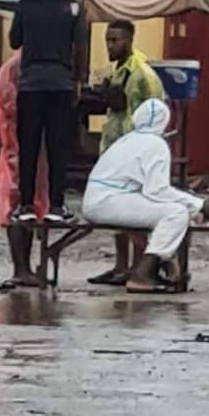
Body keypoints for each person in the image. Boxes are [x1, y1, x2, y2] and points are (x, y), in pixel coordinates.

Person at [82, 99, 209, 292]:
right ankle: (143, 275)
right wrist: (198, 205)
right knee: (176, 214)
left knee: (165, 213)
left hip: (99, 200)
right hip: (109, 201)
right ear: (165, 121)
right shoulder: (156, 144)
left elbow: (149, 192)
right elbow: (157, 190)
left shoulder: (127, 139)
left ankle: (161, 267)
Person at [87, 20, 166, 287]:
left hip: (136, 157)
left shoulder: (143, 75)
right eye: (108, 40)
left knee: (136, 212)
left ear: (130, 40)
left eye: (115, 40)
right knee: (117, 211)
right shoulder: (118, 72)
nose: (110, 45)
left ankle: (138, 266)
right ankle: (121, 265)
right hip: (114, 151)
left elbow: (157, 112)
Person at [9, 0, 88, 226]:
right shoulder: (73, 9)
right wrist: (77, 80)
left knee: (28, 147)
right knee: (58, 147)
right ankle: (56, 204)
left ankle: (26, 206)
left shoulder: (25, 6)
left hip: (30, 85)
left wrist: (23, 7)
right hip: (61, 84)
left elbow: (14, 41)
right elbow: (81, 49)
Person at [0, 51, 47, 288]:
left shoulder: (38, 63)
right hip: (17, 143)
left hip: (35, 146)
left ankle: (25, 265)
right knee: (15, 203)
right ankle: (20, 267)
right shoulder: (15, 67)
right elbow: (6, 100)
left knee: (33, 205)